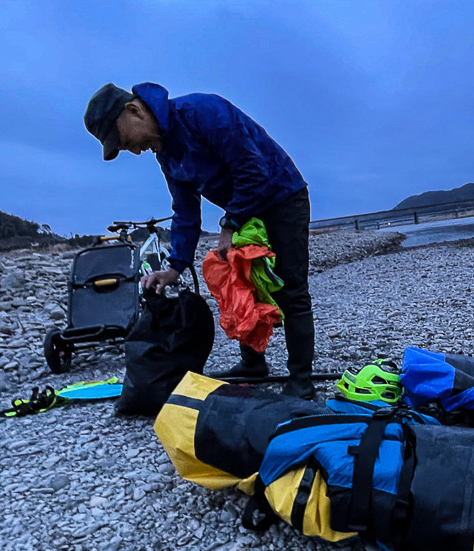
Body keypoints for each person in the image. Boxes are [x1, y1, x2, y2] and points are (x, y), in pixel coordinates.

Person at [84, 82, 316, 399]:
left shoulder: (202, 113)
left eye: (126, 142)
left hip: (283, 198)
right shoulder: (166, 154)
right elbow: (185, 212)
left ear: (134, 110)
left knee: (291, 289)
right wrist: (175, 267)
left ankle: (301, 381)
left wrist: (229, 222)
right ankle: (253, 364)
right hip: (244, 211)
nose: (135, 151)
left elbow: (253, 169)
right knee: (240, 287)